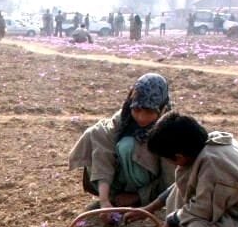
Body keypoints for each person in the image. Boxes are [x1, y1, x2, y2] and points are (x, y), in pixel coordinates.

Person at [68, 73, 174, 213]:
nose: (141, 117)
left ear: (162, 109)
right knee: (96, 133)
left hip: (152, 190)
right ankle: (113, 198)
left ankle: (132, 199)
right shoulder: (123, 119)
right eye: (137, 110)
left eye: (149, 112)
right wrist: (104, 201)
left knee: (127, 146)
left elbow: (171, 182)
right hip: (118, 184)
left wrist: (138, 197)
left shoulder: (171, 128)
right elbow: (103, 155)